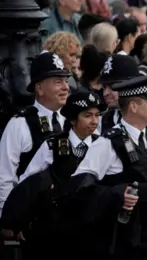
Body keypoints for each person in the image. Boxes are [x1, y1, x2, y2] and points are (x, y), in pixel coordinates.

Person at [68, 74, 147, 260]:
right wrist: (115, 194)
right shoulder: (108, 143)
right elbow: (79, 188)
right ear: (133, 106)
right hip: (124, 239)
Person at [1, 91, 104, 260]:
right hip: (55, 228)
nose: (94, 121)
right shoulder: (52, 146)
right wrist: (17, 221)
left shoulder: (104, 145)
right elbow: (28, 184)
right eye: (87, 115)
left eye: (97, 115)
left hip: (92, 228)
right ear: (72, 119)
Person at [0, 51, 70, 217]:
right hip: (33, 217)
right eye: (58, 82)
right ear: (39, 88)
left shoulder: (73, 120)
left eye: (66, 81)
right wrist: (8, 217)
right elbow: (5, 177)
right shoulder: (20, 124)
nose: (65, 87)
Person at [97, 54, 141, 134]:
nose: (105, 93)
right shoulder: (100, 122)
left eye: (112, 86)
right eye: (104, 87)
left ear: (132, 84)